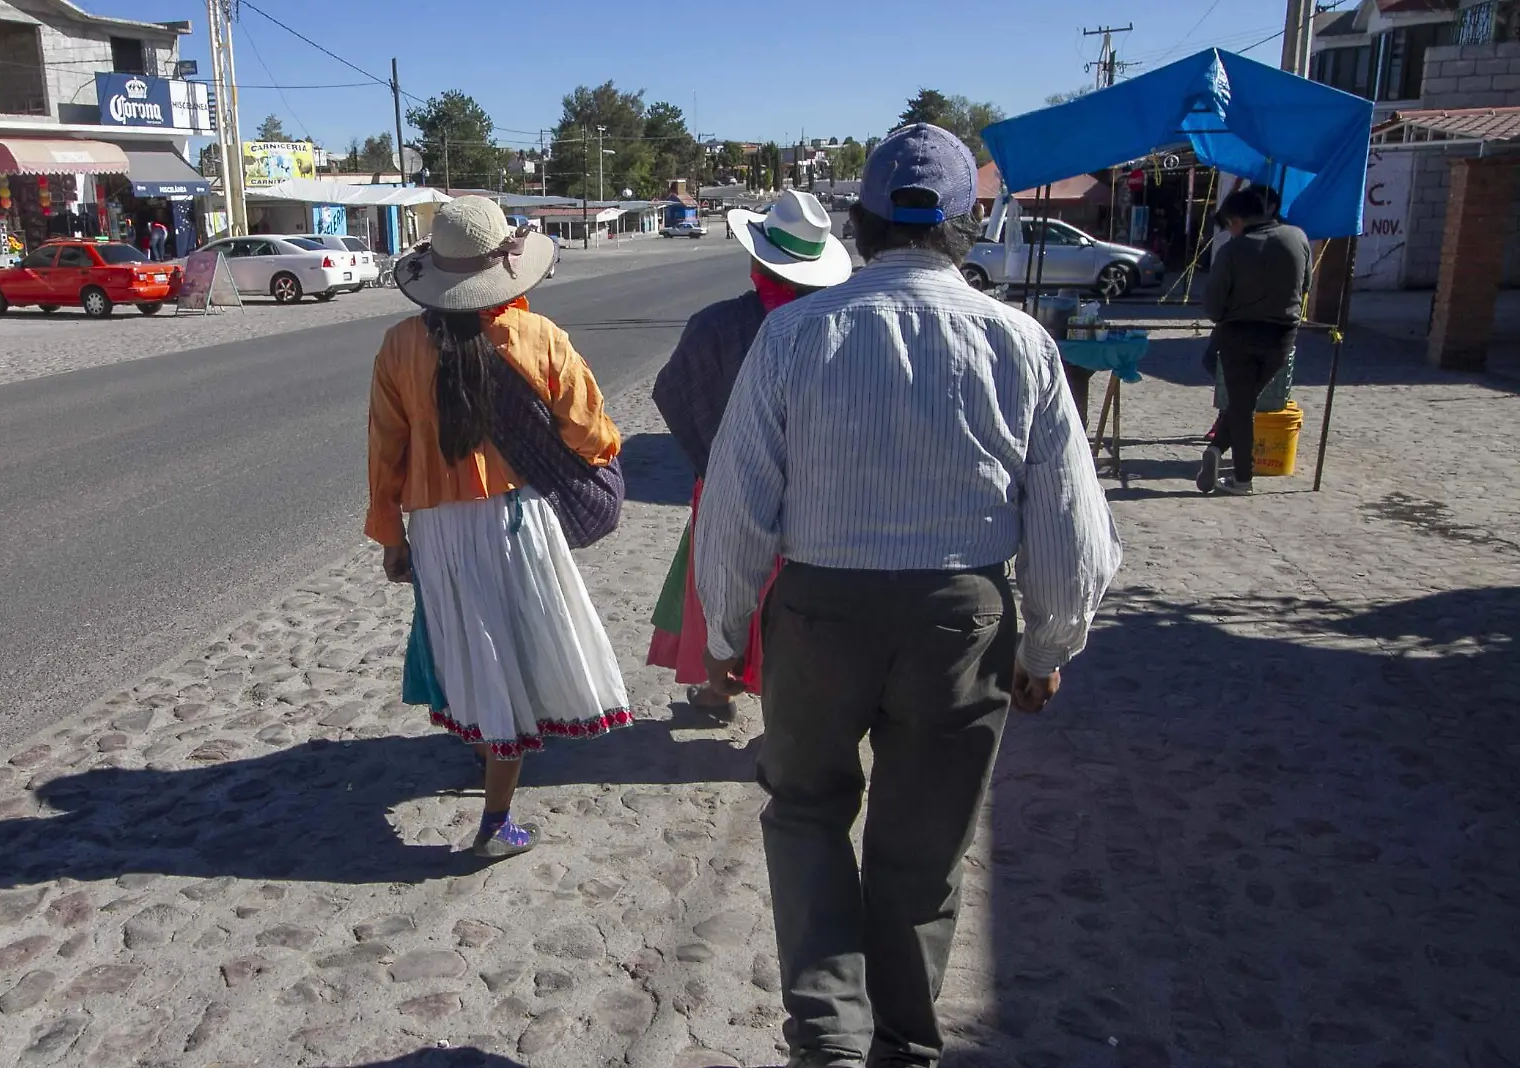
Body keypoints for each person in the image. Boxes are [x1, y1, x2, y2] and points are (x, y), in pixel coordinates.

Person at [695, 124, 1122, 1068]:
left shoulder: (795, 333)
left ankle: (829, 1039)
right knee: (921, 856)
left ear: (861, 220)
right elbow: (1072, 531)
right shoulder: (1022, 344)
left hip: (817, 618)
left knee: (805, 812)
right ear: (967, 229)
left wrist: (725, 633)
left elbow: (735, 504)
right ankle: (901, 1048)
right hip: (960, 625)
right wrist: (1047, 649)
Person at [366, 196, 631, 859]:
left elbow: (385, 450)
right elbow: (592, 435)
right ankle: (496, 820)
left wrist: (392, 535)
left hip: (437, 528)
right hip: (517, 521)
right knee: (514, 646)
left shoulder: (400, 344)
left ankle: (487, 748)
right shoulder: (539, 337)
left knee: (471, 643)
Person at [647, 189, 851, 711]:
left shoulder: (715, 324)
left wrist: (717, 465)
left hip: (726, 485)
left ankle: (720, 684)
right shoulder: (838, 328)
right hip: (817, 495)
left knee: (725, 577)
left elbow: (673, 393)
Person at [1196, 187, 1311, 495]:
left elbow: (1213, 304)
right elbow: (1307, 284)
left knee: (1241, 405)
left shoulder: (1233, 250)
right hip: (1282, 336)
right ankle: (1218, 450)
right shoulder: (1297, 238)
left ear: (1237, 220)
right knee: (1244, 403)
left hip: (1238, 334)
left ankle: (1242, 478)